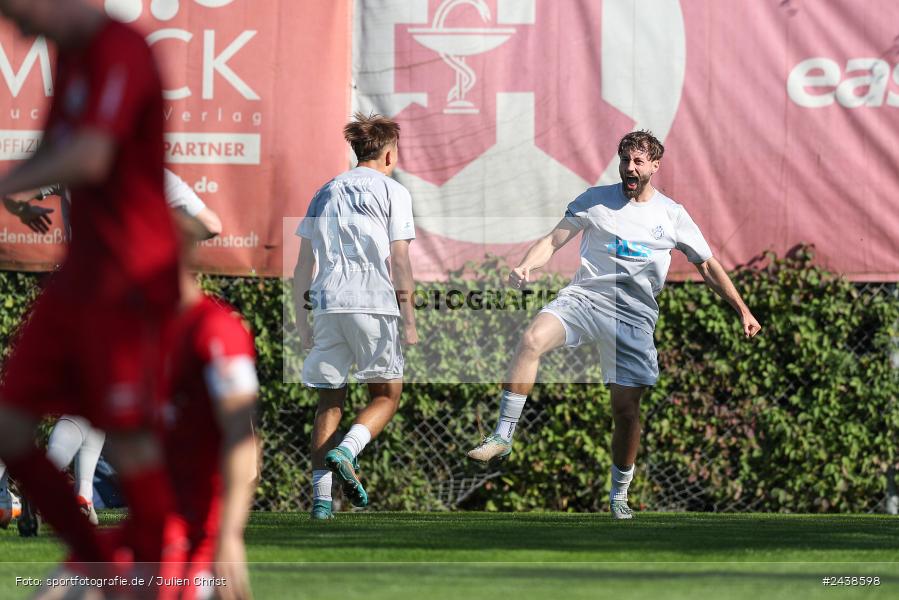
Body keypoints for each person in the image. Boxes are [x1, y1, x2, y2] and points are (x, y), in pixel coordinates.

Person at [467, 130, 762, 519]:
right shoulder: (595, 201)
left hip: (633, 318)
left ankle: (619, 494)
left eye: (639, 162)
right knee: (532, 338)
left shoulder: (671, 215)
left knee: (625, 412)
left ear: (655, 166)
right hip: (585, 300)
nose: (630, 168)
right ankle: (503, 435)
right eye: (625, 160)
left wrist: (742, 308)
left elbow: (706, 264)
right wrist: (527, 264)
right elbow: (553, 241)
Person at [0, 0, 181, 583]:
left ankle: (169, 566)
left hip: (129, 276)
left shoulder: (119, 50)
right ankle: (98, 560)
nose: (16, 28)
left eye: (13, 12)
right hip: (81, 275)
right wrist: (13, 193)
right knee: (10, 423)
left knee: (126, 433)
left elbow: (90, 155)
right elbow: (55, 153)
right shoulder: (71, 59)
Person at [2, 171, 223, 531]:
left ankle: (83, 495)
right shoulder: (154, 175)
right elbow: (211, 224)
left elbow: (16, 191)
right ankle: (49, 484)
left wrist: (24, 210)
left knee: (91, 403)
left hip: (74, 295)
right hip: (123, 302)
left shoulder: (80, 160)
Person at [294, 113, 417, 520]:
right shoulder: (393, 191)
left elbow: (302, 266)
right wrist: (410, 318)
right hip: (373, 303)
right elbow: (399, 260)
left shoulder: (324, 191)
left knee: (329, 402)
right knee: (386, 395)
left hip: (328, 303)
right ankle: (348, 450)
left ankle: (321, 504)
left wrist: (299, 320)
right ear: (387, 154)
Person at [161, 211, 259, 600]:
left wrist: (229, 535)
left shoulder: (216, 331)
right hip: (144, 529)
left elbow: (241, 434)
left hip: (191, 537)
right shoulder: (133, 331)